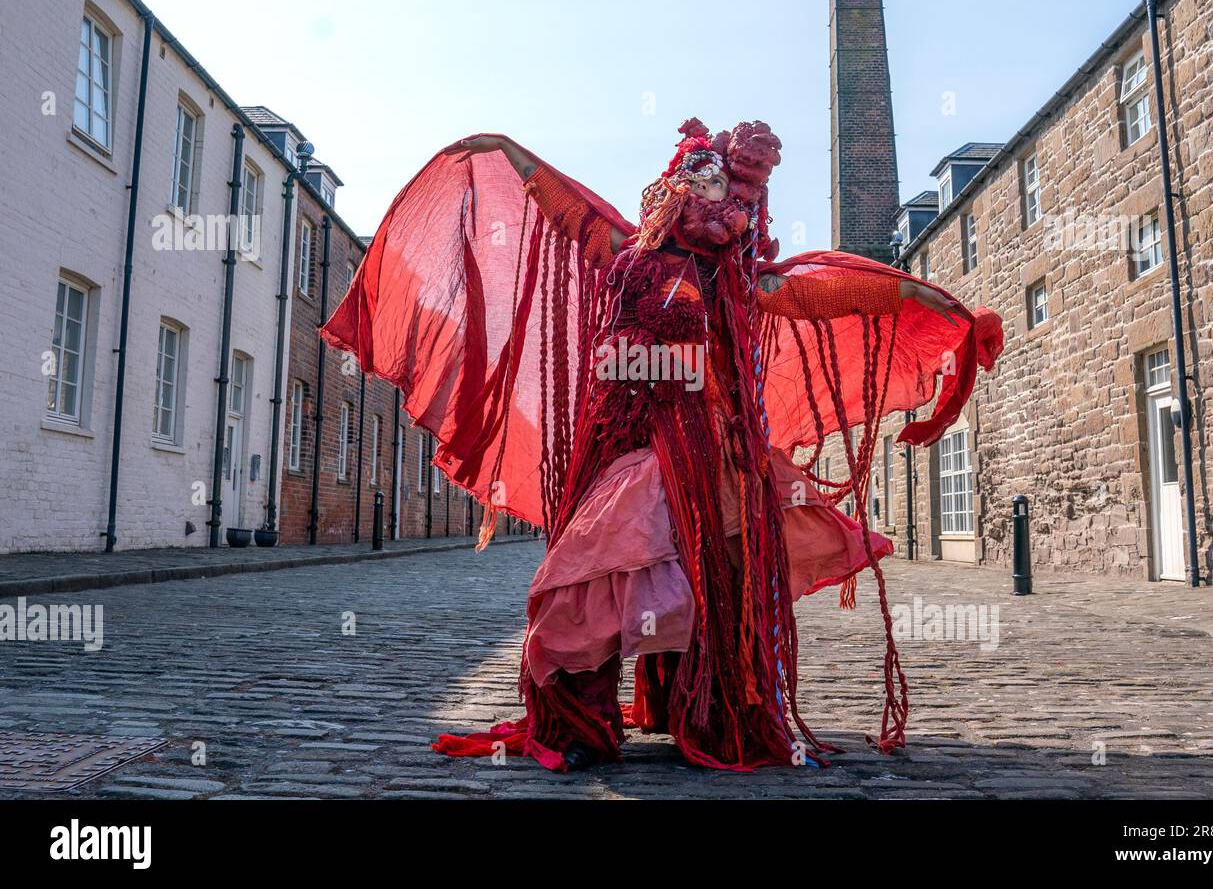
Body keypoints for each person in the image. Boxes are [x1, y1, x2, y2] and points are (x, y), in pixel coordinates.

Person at [322, 118, 1004, 772]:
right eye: (702, 188)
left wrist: (929, 303)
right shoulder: (624, 254)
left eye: (731, 197)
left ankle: (705, 716)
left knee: (706, 588)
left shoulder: (734, 279)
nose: (717, 205)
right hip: (626, 443)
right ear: (674, 191)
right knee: (590, 575)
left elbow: (818, 292)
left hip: (709, 453)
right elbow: (562, 205)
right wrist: (504, 152)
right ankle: (576, 723)